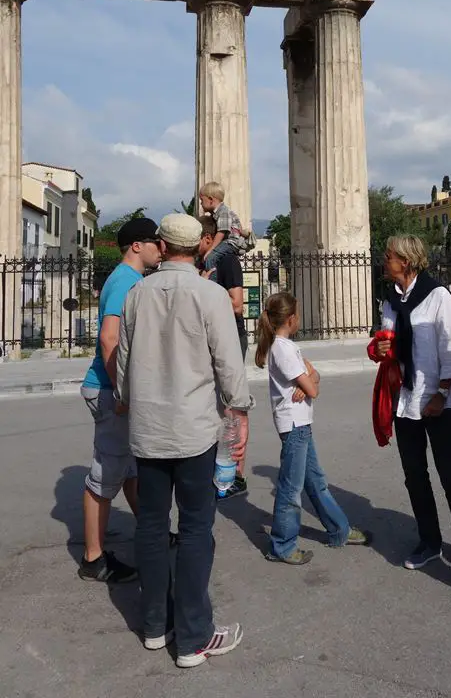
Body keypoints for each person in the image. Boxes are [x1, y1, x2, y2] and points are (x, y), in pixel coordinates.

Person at [116, 214, 253, 668]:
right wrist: (238, 407)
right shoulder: (210, 295)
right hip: (194, 430)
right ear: (200, 247)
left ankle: (156, 625)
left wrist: (128, 399)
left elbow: (124, 361)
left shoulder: (138, 294)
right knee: (196, 528)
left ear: (161, 244)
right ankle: (194, 636)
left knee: (152, 527)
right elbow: (228, 364)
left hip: (148, 428)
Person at [377, 234, 451, 573]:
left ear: (406, 261)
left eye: (389, 255)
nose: (385, 260)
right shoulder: (389, 302)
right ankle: (430, 541)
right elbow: (387, 345)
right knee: (414, 475)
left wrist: (441, 393)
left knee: (449, 472)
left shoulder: (437, 297)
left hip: (437, 398)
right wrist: (378, 349)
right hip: (404, 401)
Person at [256, 291, 371, 565]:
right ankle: (282, 545)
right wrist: (311, 383)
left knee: (315, 482)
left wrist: (310, 381)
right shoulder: (282, 349)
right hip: (294, 424)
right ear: (291, 319)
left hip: (301, 423)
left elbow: (312, 376)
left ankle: (339, 529)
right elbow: (313, 386)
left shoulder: (287, 347)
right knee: (291, 488)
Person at [78, 216, 161, 583]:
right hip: (111, 389)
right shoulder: (126, 281)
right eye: (156, 242)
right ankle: (93, 558)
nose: (162, 248)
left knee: (128, 469)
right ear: (137, 246)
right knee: (105, 475)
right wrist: (123, 391)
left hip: (115, 388)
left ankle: (152, 532)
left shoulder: (131, 279)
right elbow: (109, 339)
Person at [198, 215, 250, 499]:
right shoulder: (200, 265)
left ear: (208, 238)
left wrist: (204, 289)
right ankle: (217, 469)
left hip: (232, 337)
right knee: (214, 404)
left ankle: (236, 475)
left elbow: (237, 305)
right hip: (209, 338)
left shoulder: (227, 260)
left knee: (234, 405)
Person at [199, 181, 253, 269]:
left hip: (231, 242)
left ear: (211, 200)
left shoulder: (223, 211)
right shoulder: (217, 213)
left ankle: (211, 280)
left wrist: (211, 250)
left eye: (202, 200)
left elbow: (221, 232)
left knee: (210, 258)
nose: (201, 203)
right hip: (227, 242)